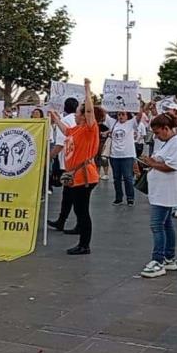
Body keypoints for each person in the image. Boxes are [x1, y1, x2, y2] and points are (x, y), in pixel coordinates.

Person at [49, 80, 102, 255]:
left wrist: (87, 90)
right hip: (75, 175)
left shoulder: (89, 129)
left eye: (79, 113)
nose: (77, 115)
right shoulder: (77, 129)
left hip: (84, 175)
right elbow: (65, 131)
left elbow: (89, 110)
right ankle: (81, 236)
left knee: (82, 210)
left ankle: (84, 245)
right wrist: (55, 117)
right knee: (79, 209)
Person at [140, 112, 177, 278]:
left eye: (158, 132)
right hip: (161, 190)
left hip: (166, 191)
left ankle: (158, 259)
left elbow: (171, 165)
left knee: (157, 225)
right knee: (166, 224)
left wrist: (152, 163)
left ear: (166, 128)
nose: (156, 136)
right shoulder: (168, 142)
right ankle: (169, 257)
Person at [47, 98, 81, 234]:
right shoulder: (75, 120)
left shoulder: (67, 121)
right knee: (69, 194)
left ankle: (74, 223)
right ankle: (62, 220)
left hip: (69, 163)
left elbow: (60, 144)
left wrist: (48, 157)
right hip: (75, 161)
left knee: (73, 195)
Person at [107, 111, 141, 206]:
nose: (121, 116)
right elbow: (103, 112)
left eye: (123, 114)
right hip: (114, 156)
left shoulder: (131, 123)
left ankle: (130, 198)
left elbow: (139, 116)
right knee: (116, 178)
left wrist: (140, 105)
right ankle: (118, 198)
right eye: (119, 114)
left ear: (127, 116)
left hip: (127, 155)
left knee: (128, 178)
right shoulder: (113, 122)